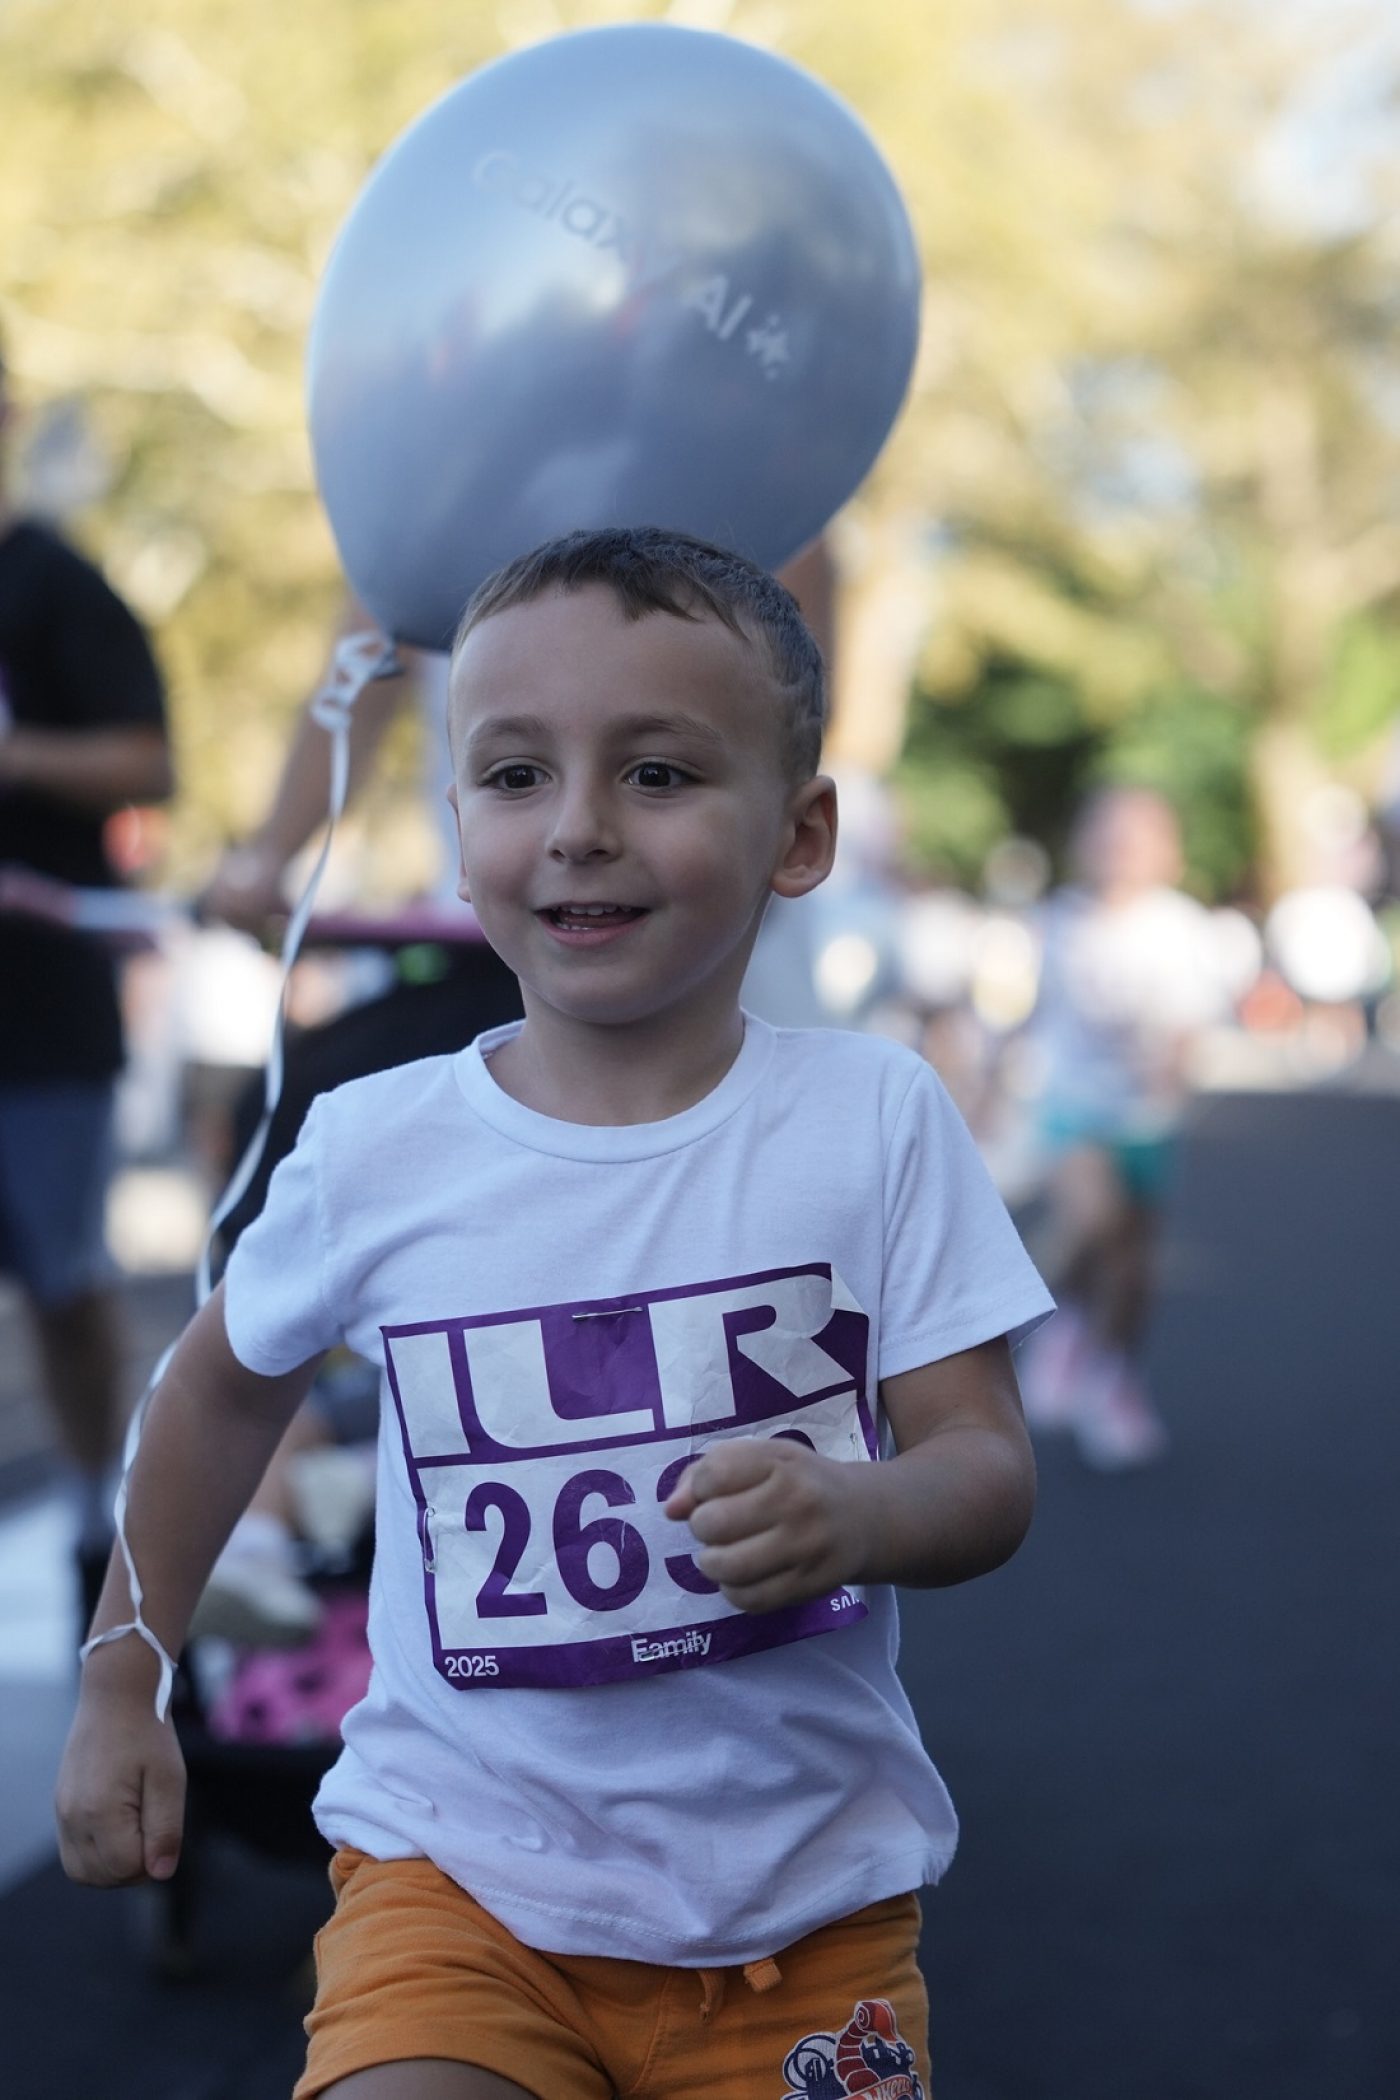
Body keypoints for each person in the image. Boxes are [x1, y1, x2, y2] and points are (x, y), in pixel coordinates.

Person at [58, 527, 1052, 2100]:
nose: (580, 828)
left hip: (804, 1913)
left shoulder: (875, 1120)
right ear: (459, 826)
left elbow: (985, 1467)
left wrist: (862, 1513)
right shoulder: (375, 1148)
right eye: (517, 776)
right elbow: (214, 1392)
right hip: (455, 1885)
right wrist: (127, 1672)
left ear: (799, 834)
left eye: (658, 774)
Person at [0, 338, 173, 1601]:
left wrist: (14, 760)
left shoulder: (56, 584)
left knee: (64, 1281)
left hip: (43, 1014)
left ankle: (90, 1511)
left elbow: (148, 762)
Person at [1017, 786, 1230, 1467]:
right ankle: (1054, 1325)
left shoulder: (1179, 926)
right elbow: (1023, 1011)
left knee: (1133, 1265)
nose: (1120, 848)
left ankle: (1109, 1371)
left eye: (1137, 837)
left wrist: (1174, 1068)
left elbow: (1191, 1021)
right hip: (1070, 1106)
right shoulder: (1057, 920)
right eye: (1108, 833)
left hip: (1145, 1115)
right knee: (1093, 1218)